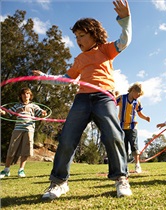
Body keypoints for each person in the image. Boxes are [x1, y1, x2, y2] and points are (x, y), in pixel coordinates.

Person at [32, 0, 132, 199]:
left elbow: (124, 40)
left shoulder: (105, 49)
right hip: (82, 98)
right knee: (67, 138)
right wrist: (45, 76)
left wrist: (125, 20)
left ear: (93, 34)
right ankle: (58, 182)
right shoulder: (79, 59)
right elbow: (65, 80)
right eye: (76, 36)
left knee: (113, 134)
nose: (78, 40)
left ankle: (121, 178)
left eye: (82, 35)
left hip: (104, 96)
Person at [0, 87, 47, 179]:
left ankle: (21, 170)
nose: (26, 95)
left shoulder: (33, 106)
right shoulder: (17, 106)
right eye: (24, 94)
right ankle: (6, 170)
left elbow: (41, 113)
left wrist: (43, 113)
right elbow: (8, 113)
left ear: (30, 96)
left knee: (26, 150)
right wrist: (2, 112)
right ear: (21, 96)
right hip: (17, 129)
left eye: (28, 94)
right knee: (12, 148)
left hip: (29, 129)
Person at [116, 82, 150, 173]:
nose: (138, 97)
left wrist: (145, 117)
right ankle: (124, 166)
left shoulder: (137, 102)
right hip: (122, 126)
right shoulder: (121, 98)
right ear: (133, 90)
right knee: (123, 147)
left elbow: (139, 113)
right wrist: (113, 95)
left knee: (134, 145)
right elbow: (112, 103)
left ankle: (137, 165)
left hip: (133, 126)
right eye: (138, 94)